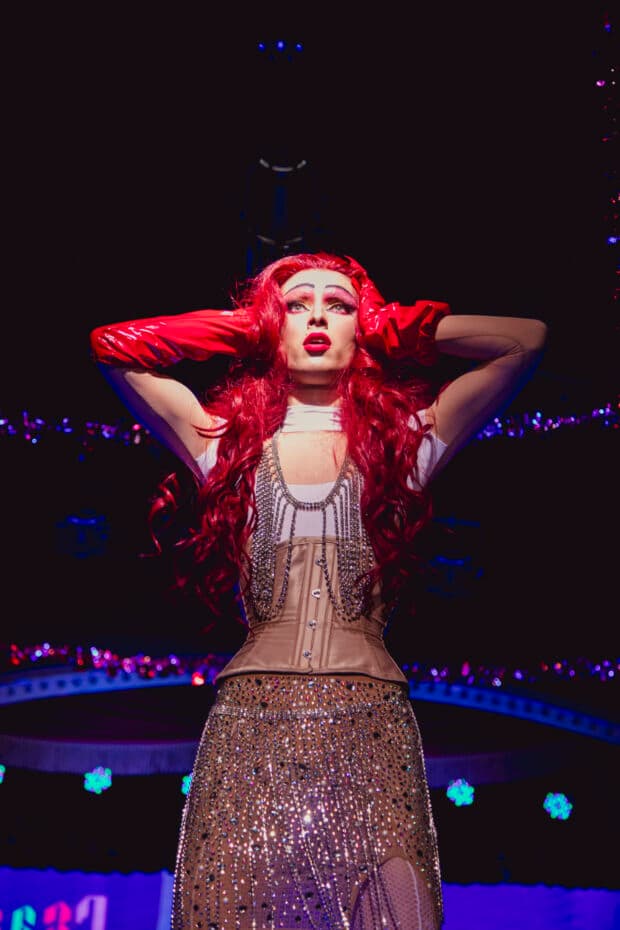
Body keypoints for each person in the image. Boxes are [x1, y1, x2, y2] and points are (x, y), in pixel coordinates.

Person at [90, 251, 547, 930]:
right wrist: (249, 323)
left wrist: (392, 323)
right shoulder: (222, 443)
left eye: (338, 306)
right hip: (250, 724)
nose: (317, 319)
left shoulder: (406, 443)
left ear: (362, 332)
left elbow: (525, 340)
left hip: (370, 726)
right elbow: (111, 347)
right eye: (297, 306)